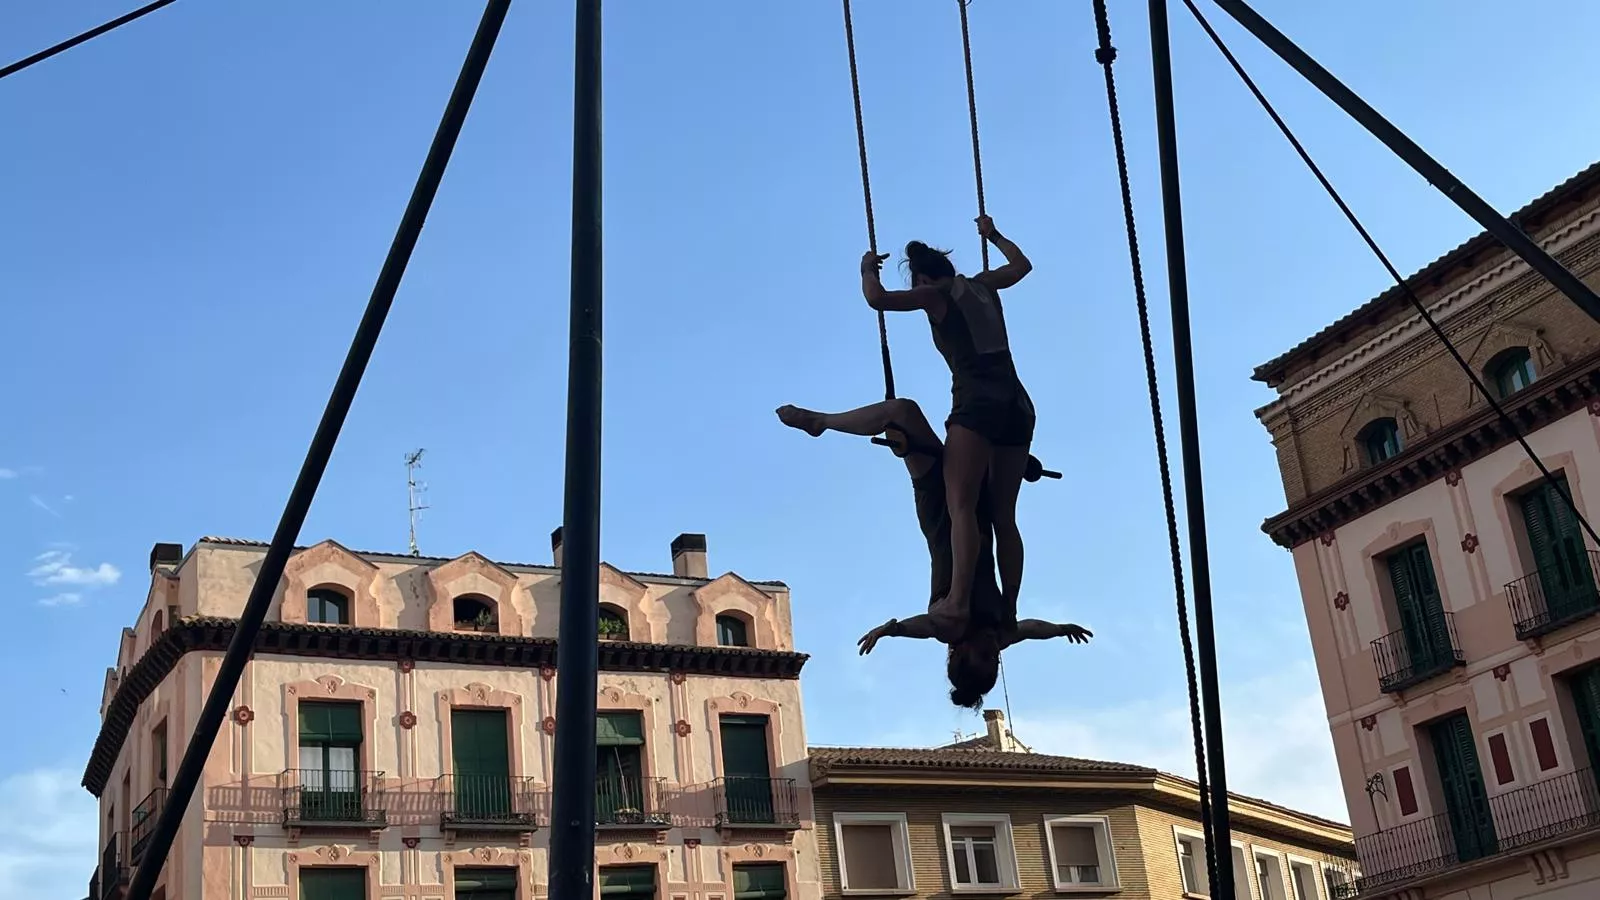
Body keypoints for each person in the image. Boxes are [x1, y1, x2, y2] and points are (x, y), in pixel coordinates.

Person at [776, 398, 1089, 708]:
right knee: (924, 422)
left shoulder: (951, 624)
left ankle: (821, 422)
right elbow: (1032, 629)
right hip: (977, 506)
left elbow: (923, 628)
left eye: (984, 656)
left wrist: (891, 630)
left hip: (939, 510)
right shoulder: (1001, 633)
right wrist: (1062, 630)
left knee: (900, 412)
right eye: (995, 660)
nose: (992, 651)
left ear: (958, 650)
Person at [859, 216, 1035, 646]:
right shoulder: (984, 284)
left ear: (923, 278)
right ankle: (1009, 607)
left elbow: (877, 299)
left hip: (976, 406)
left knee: (961, 505)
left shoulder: (933, 294)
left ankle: (957, 598)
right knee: (1004, 516)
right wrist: (994, 236)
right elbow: (1022, 265)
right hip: (1018, 405)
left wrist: (867, 266)